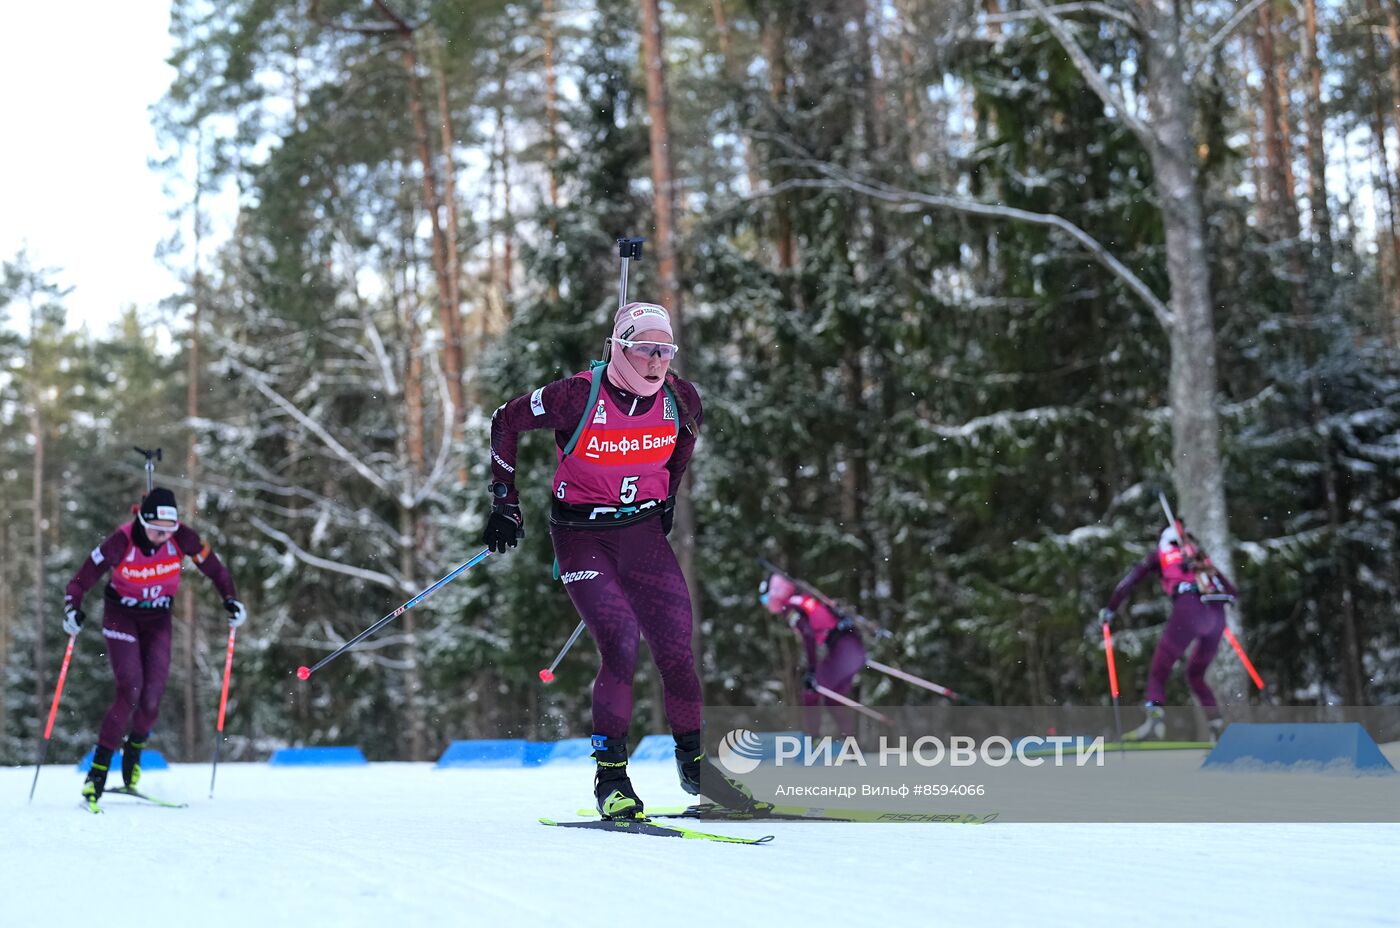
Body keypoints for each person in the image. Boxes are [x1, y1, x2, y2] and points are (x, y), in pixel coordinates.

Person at [483, 301, 740, 820]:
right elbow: (503, 419)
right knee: (621, 643)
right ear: (619, 348)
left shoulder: (681, 398)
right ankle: (612, 781)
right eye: (644, 348)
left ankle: (697, 768)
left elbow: (681, 449)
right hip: (582, 534)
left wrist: (665, 500)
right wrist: (504, 502)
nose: (656, 360)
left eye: (665, 350)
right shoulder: (577, 394)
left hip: (641, 530)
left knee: (675, 646)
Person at [63, 487, 245, 807]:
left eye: (168, 531)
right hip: (121, 616)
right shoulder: (121, 542)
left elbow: (214, 567)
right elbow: (81, 579)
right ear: (142, 520)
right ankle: (97, 775)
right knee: (131, 689)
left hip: (158, 618)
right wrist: (72, 608)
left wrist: (230, 598)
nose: (162, 537)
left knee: (151, 698)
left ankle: (132, 760)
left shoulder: (182, 538)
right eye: (156, 531)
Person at [1099, 523, 1237, 741]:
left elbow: (1131, 580)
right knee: (1195, 674)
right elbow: (1232, 593)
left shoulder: (1162, 554)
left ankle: (1155, 722)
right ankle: (1216, 726)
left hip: (1189, 609)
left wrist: (1110, 608)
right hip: (1216, 616)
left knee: (1159, 670)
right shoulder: (1199, 558)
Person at [760, 571, 867, 736]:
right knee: (832, 698)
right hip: (853, 647)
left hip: (844, 648)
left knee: (811, 692)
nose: (767, 605)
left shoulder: (792, 607)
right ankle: (850, 745)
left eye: (765, 599)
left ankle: (813, 741)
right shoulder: (802, 600)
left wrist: (811, 669)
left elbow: (808, 635)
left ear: (775, 594)